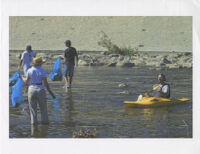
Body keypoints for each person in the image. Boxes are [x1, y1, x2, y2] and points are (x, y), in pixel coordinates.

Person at [22, 57, 56, 125]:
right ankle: (45, 124)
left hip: (31, 89)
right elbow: (46, 84)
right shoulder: (43, 71)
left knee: (32, 109)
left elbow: (26, 81)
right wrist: (51, 93)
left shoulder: (29, 70)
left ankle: (34, 125)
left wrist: (22, 77)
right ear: (41, 63)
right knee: (43, 109)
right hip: (40, 89)